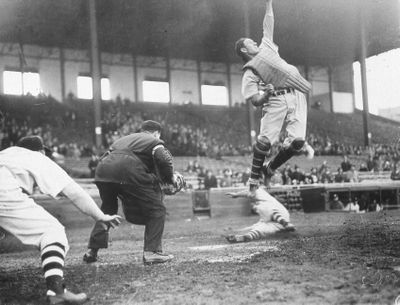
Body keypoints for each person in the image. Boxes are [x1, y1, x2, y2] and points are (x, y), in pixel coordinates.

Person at [0, 135, 121, 305]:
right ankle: (57, 291)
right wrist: (100, 216)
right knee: (52, 231)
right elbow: (74, 192)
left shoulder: (6, 153)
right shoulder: (36, 157)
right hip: (3, 191)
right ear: (40, 151)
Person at [235, 0, 313, 191]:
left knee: (297, 143)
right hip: (275, 98)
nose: (255, 41)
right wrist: (266, 95)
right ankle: (253, 181)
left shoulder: (266, 47)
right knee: (263, 142)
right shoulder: (250, 73)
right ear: (245, 50)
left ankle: (269, 169)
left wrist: (268, 3)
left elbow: (268, 22)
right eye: (250, 42)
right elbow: (255, 101)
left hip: (296, 92)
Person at [82, 120, 185, 265]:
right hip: (126, 169)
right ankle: (152, 252)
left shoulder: (125, 139)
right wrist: (170, 177)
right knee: (157, 209)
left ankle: (92, 251)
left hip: (103, 170)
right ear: (156, 133)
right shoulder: (154, 140)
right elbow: (164, 158)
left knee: (107, 211)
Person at [224, 187, 295, 243]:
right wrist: (236, 194)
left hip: (280, 215)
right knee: (256, 226)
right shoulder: (258, 195)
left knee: (262, 221)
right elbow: (248, 192)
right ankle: (244, 236)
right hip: (271, 220)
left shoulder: (260, 197)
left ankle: (285, 224)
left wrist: (285, 223)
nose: (250, 188)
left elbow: (273, 214)